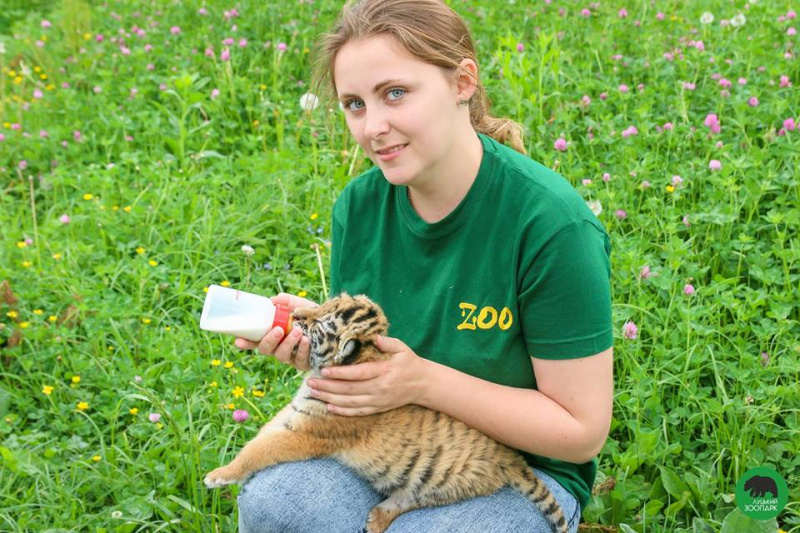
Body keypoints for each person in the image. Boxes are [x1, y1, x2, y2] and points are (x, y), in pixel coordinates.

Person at [233, 0, 613, 531]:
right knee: (273, 501)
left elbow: (581, 432)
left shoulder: (551, 225)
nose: (373, 127)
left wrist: (423, 383)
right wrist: (319, 344)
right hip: (388, 443)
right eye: (354, 104)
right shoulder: (360, 207)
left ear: (462, 83)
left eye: (395, 93)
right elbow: (372, 372)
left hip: (514, 471)